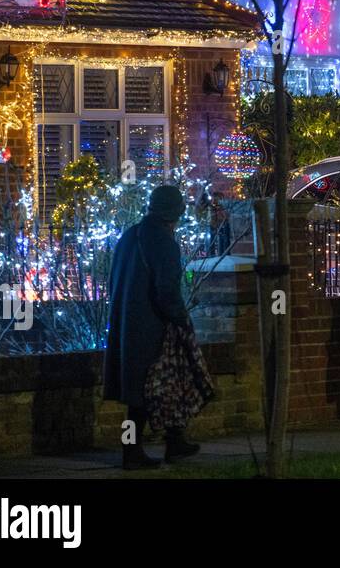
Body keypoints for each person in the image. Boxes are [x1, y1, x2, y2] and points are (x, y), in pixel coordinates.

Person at [104, 184, 209, 470]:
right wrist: (180, 318)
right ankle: (133, 451)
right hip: (152, 324)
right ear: (174, 214)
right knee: (153, 387)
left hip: (127, 321)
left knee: (149, 387)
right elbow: (167, 289)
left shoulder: (130, 236)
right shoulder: (163, 242)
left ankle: (171, 441)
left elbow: (114, 278)